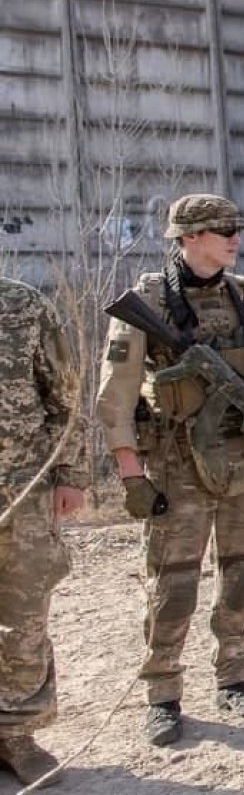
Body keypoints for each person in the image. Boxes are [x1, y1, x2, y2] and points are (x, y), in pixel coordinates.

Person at [97, 194, 244, 743]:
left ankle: (234, 678)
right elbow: (115, 396)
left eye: (237, 227)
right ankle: (162, 692)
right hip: (174, 463)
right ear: (187, 238)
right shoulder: (147, 301)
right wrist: (131, 473)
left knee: (241, 574)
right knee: (174, 585)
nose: (235, 237)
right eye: (221, 230)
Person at [0, 276, 88, 787]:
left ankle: (16, 735)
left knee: (23, 617)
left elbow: (65, 395)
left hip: (25, 491)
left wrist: (71, 475)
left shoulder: (24, 304)